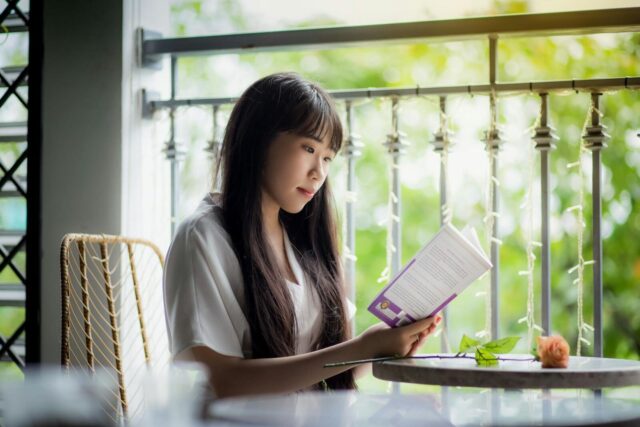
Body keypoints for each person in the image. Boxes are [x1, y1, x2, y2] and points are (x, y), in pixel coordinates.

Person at [162, 72, 440, 398]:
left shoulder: (302, 241)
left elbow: (328, 366)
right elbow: (224, 380)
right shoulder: (203, 238)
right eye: (308, 148)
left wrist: (382, 343)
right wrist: (358, 348)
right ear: (258, 140)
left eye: (327, 158)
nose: (319, 173)